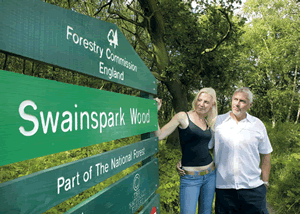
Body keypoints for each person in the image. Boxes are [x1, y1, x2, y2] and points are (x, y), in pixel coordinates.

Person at [155, 87, 218, 214]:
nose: (201, 104)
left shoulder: (208, 122)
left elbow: (202, 147)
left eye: (206, 102)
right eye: (199, 100)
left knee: (206, 212)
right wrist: (154, 112)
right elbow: (159, 135)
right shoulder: (183, 117)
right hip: (190, 178)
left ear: (212, 105)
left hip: (210, 175)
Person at [210, 87, 272, 213]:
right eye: (235, 99)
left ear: (250, 105)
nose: (237, 104)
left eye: (242, 101)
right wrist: (186, 160)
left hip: (253, 189)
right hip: (224, 190)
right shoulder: (218, 122)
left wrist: (265, 182)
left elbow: (266, 155)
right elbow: (204, 148)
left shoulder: (258, 124)